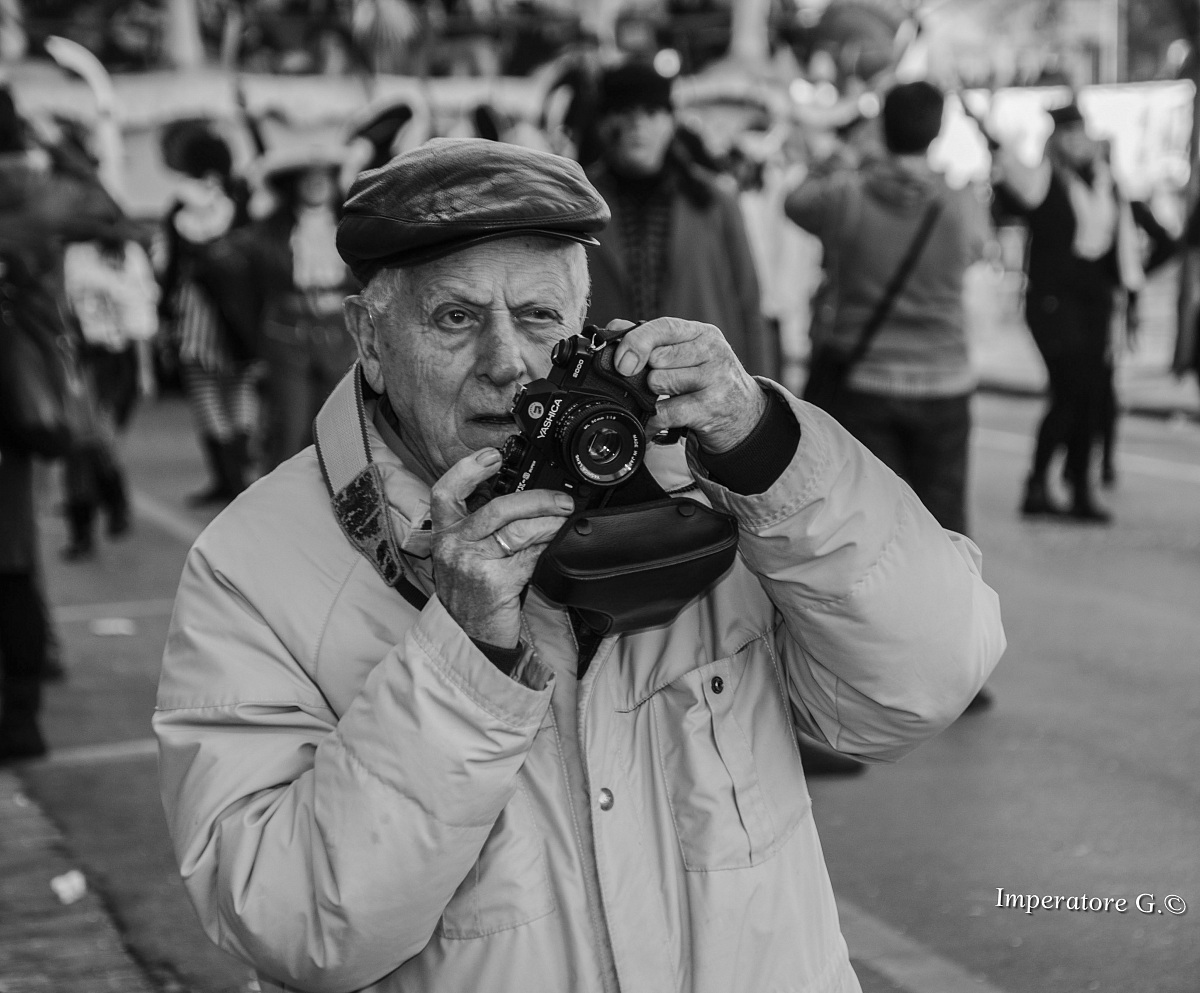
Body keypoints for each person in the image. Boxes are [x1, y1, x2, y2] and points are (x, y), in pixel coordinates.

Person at [155, 137, 1005, 993]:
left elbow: (925, 682)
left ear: (585, 323)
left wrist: (766, 452)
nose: (506, 362)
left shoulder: (691, 478)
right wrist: (464, 657)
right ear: (368, 339)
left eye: (538, 319)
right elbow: (292, 924)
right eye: (455, 318)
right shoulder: (253, 563)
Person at [785, 81, 989, 540]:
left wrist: (844, 152)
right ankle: (950, 608)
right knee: (944, 526)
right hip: (945, 379)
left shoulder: (846, 196)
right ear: (937, 132)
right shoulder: (960, 203)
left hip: (865, 382)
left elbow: (794, 202)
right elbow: (979, 250)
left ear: (882, 127)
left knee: (871, 525)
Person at [0, 84, 122, 761]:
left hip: (15, 390)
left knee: (13, 565)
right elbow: (107, 209)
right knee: (13, 559)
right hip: (20, 403)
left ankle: (22, 704)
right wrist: (62, 148)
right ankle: (25, 701)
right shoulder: (38, 192)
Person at [990, 102, 1160, 523]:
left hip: (1094, 302)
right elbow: (1009, 176)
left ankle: (1076, 484)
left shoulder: (1107, 184)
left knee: (1087, 395)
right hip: (1053, 302)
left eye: (1080, 132)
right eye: (1067, 134)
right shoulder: (1043, 179)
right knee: (1070, 391)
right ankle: (1040, 483)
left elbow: (1122, 250)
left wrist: (1131, 292)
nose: (1076, 142)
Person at [583, 61, 776, 379]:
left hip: (700, 382)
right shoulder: (579, 200)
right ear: (603, 122)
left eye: (651, 113)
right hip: (605, 384)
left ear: (671, 121)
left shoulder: (712, 200)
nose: (637, 126)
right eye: (625, 113)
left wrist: (761, 398)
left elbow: (748, 304)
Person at [207, 146, 357, 473]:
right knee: (289, 430)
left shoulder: (353, 226)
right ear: (294, 185)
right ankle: (278, 509)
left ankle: (335, 508)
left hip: (340, 334)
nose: (316, 185)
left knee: (340, 431)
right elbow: (221, 258)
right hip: (287, 335)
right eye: (308, 179)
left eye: (323, 178)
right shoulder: (269, 230)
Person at [157, 123, 255, 506]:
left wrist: (164, 313)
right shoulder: (240, 198)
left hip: (197, 310)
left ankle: (225, 476)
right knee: (240, 388)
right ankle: (241, 471)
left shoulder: (181, 204)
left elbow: (170, 266)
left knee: (205, 390)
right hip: (241, 311)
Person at [59, 233, 159, 560]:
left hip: (118, 359)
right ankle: (84, 527)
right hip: (78, 357)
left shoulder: (127, 252)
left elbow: (140, 313)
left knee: (103, 437)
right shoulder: (68, 251)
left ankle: (114, 502)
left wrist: (145, 371)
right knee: (78, 443)